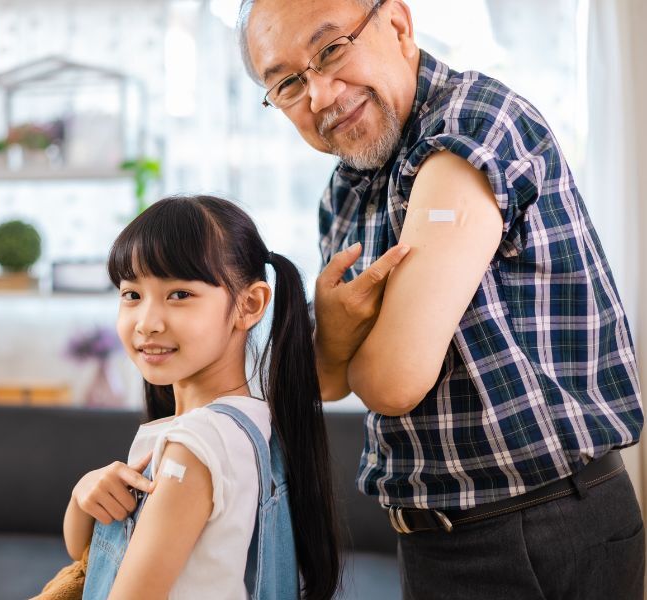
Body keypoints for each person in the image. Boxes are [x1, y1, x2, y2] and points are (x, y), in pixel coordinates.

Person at [237, 0, 645, 598]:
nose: (320, 95)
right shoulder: (345, 191)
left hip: (540, 524)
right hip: (433, 534)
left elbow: (393, 380)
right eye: (289, 83)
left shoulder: (469, 128)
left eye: (330, 50)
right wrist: (338, 340)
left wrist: (336, 335)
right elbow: (327, 381)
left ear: (398, 25)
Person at [62, 195, 340, 599]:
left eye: (179, 295)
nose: (147, 323)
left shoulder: (194, 447)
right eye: (132, 295)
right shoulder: (252, 420)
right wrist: (83, 493)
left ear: (249, 305)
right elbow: (86, 554)